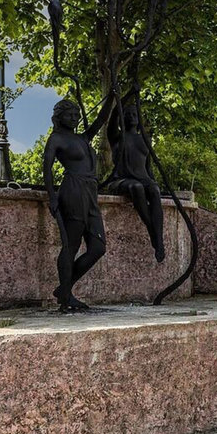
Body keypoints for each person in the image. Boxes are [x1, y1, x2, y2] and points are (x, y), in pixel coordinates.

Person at [44, 95, 113, 311]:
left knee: (98, 247)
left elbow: (101, 119)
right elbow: (47, 169)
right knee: (71, 246)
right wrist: (52, 197)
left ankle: (64, 289)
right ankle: (66, 296)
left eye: (76, 114)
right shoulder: (56, 139)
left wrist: (113, 95)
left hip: (90, 192)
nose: (74, 118)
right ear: (59, 117)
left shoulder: (83, 138)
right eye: (69, 115)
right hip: (73, 190)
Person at [106, 98, 165, 262]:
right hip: (121, 180)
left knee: (154, 189)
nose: (131, 117)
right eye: (127, 114)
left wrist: (153, 181)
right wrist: (126, 95)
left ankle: (159, 240)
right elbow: (113, 115)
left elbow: (148, 166)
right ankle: (153, 232)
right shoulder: (116, 137)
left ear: (139, 119)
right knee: (136, 187)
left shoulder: (145, 139)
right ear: (122, 117)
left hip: (143, 178)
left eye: (134, 114)